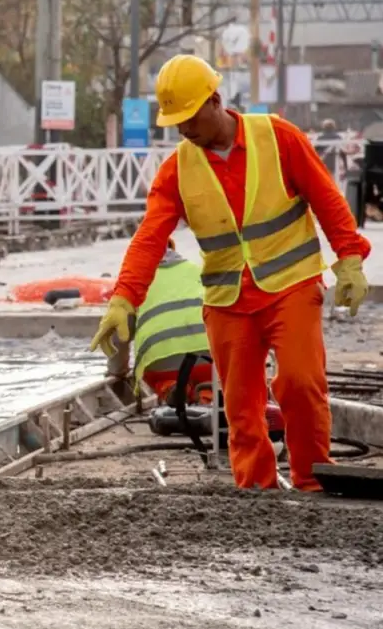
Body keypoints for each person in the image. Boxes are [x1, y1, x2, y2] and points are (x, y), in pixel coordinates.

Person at [90, 54, 371, 492]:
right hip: (226, 301)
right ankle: (257, 489)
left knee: (300, 384)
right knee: (240, 406)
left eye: (189, 117)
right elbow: (149, 238)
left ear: (215, 100)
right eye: (176, 121)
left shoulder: (279, 138)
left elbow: (327, 199)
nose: (183, 129)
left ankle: (313, 480)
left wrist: (349, 258)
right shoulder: (177, 170)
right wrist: (124, 298)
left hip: (290, 286)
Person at [110, 239, 213, 405]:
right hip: (210, 358)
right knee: (210, 375)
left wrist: (117, 371)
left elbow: (120, 334)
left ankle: (169, 387)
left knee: (158, 371)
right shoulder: (198, 272)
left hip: (162, 364)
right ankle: (208, 393)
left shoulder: (131, 285)